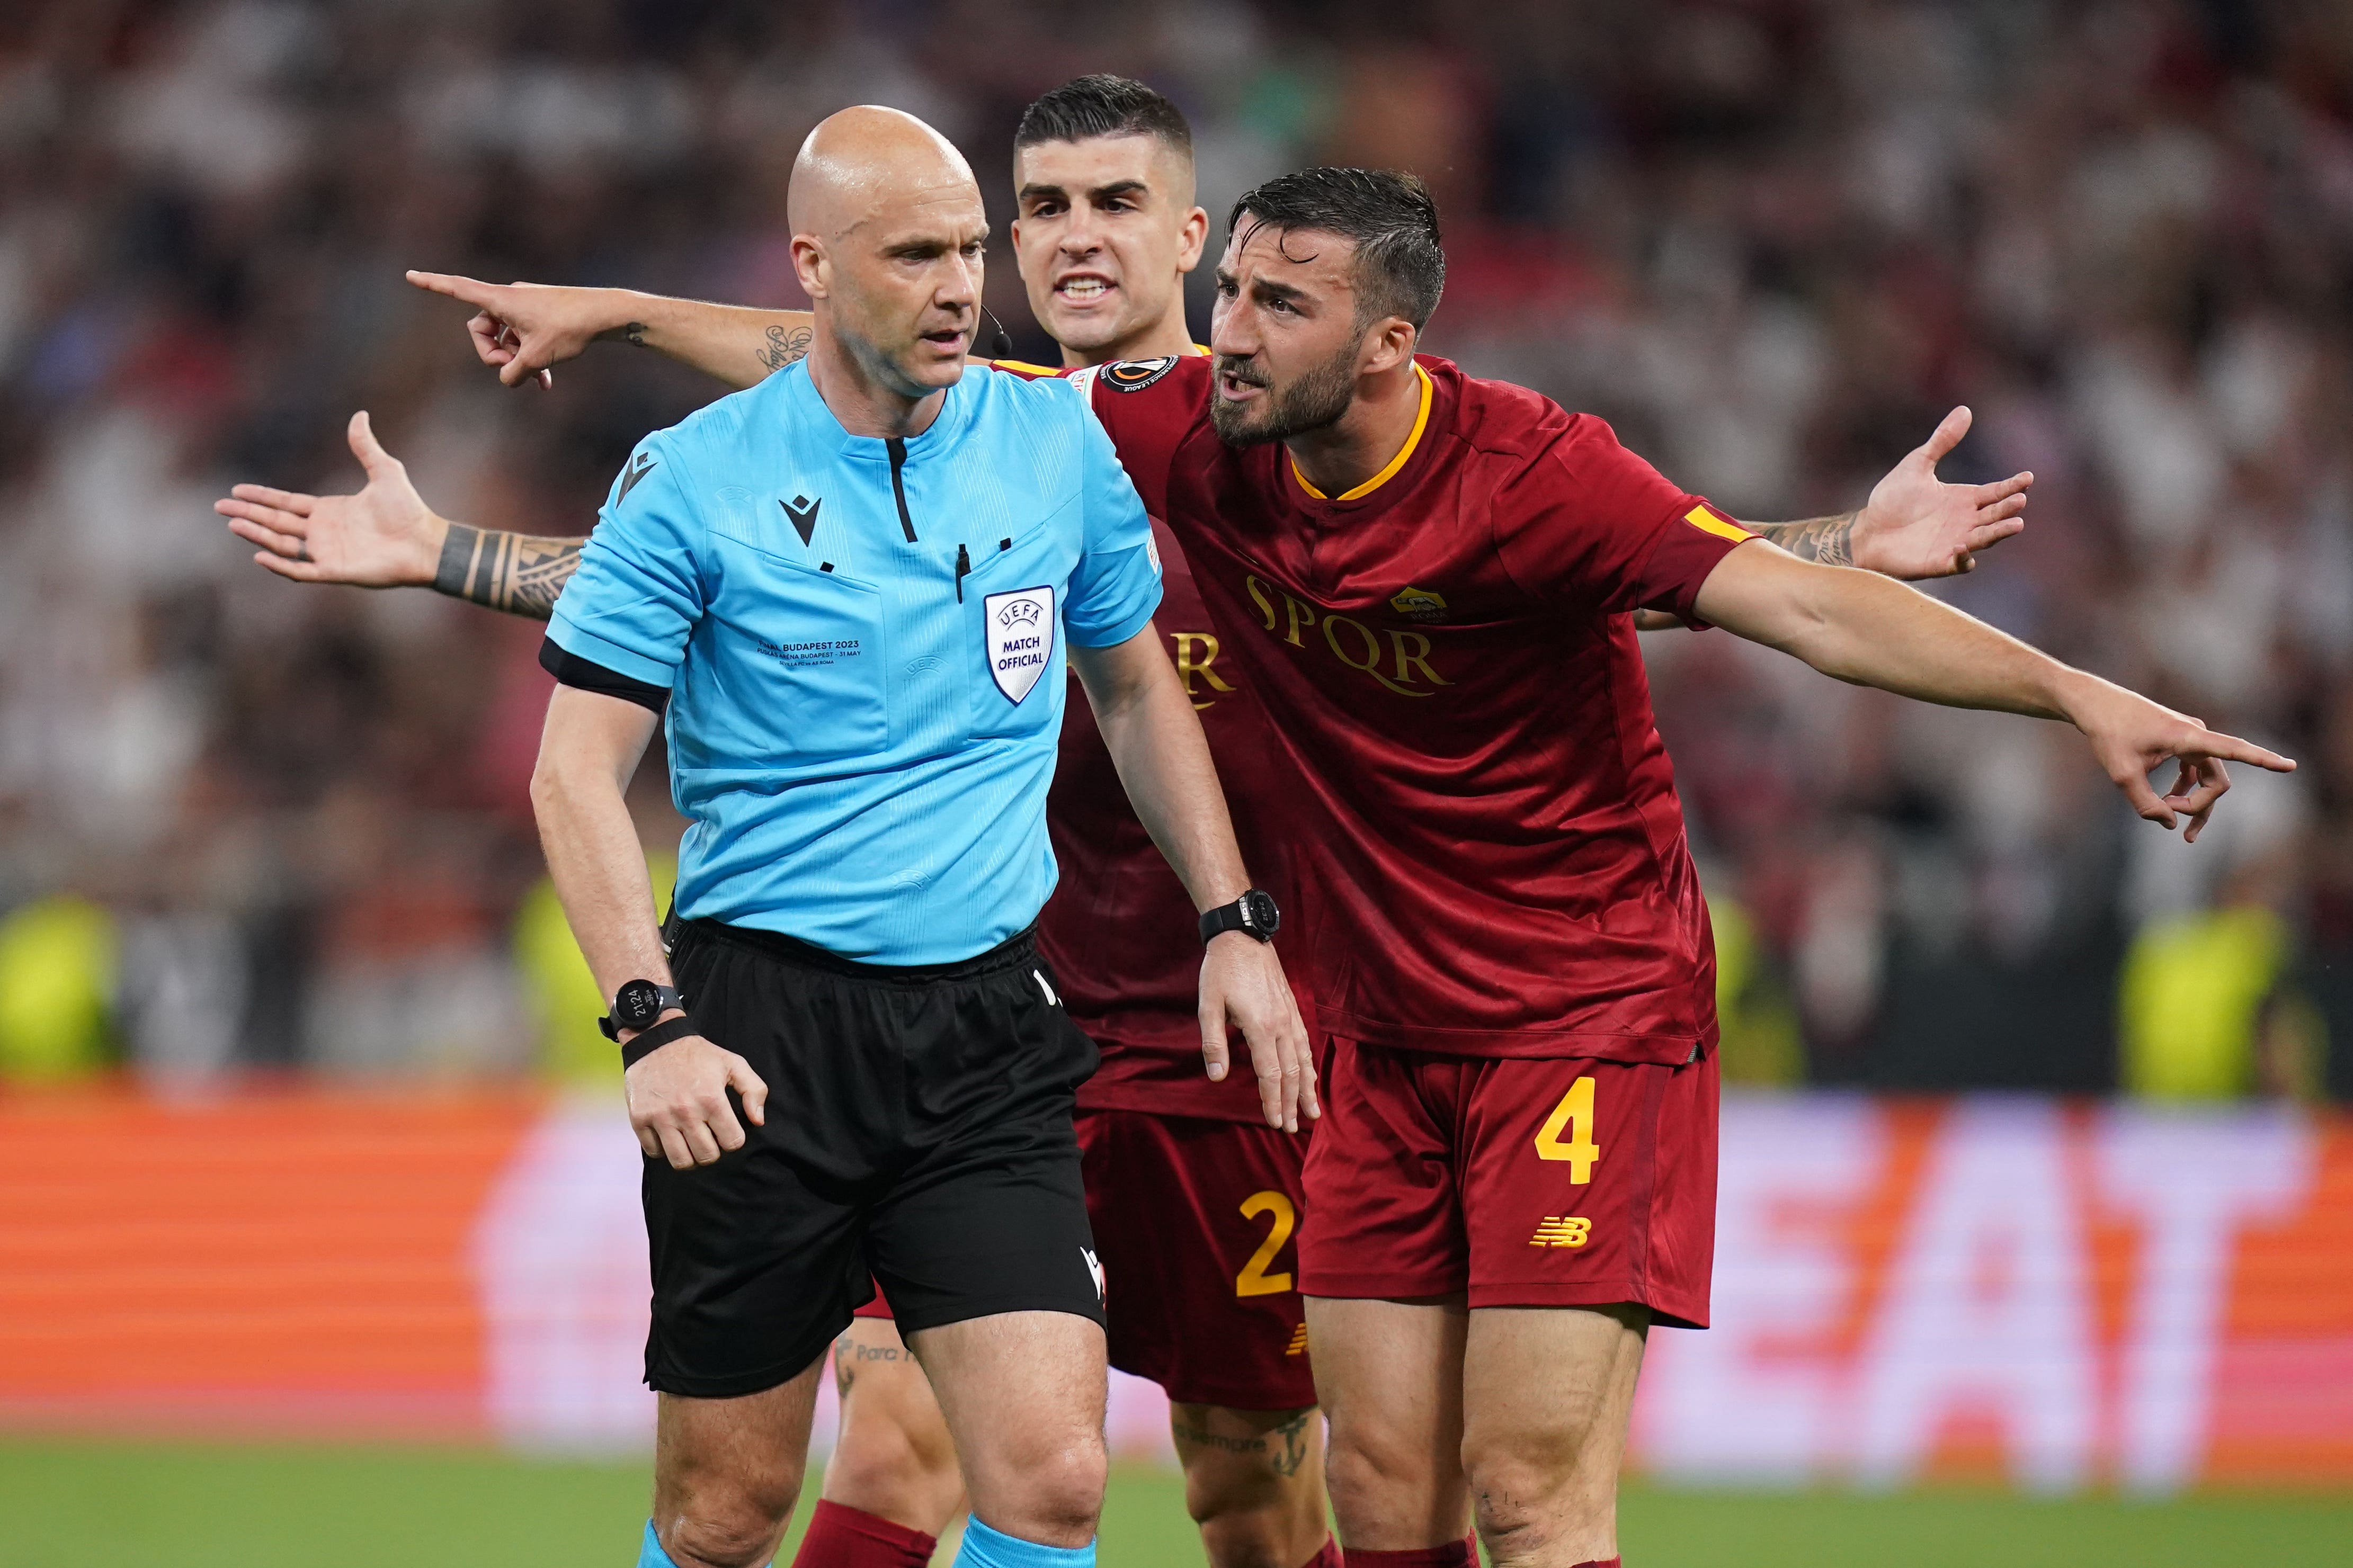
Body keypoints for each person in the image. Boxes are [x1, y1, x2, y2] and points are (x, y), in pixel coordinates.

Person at [221, 80, 2038, 1568]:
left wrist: (1828, 546)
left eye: (1111, 205)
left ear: (1197, 242)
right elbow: (778, 443)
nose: (1064, 240)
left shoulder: (1244, 440)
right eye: (1035, 211)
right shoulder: (1001, 423)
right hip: (992, 1006)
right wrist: (464, 526)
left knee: (1254, 1469)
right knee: (908, 1433)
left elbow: (1596, 568)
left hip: (1229, 1016)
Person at [405, 102, 1308, 1568]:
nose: (960, 285)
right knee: (725, 1509)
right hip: (761, 1030)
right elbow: (574, 776)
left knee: (1053, 1476)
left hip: (989, 1027)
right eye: (915, 255)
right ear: (814, 266)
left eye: (968, 250)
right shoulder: (690, 477)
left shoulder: (1049, 448)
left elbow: (1137, 691)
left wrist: (1230, 920)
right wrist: (653, 1024)